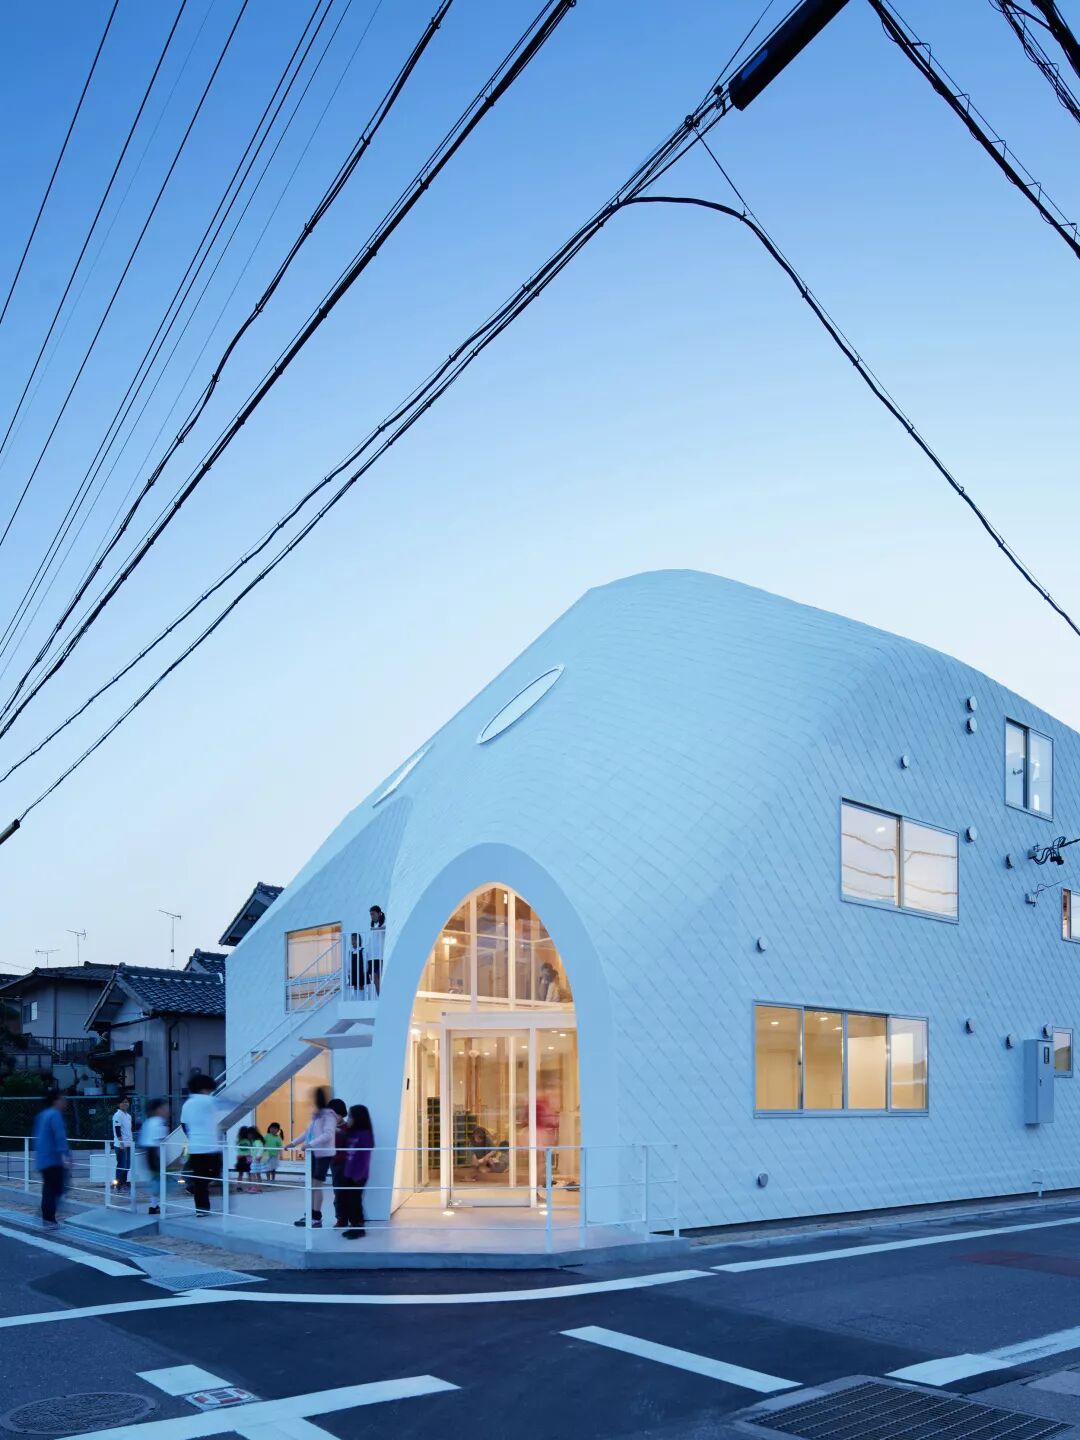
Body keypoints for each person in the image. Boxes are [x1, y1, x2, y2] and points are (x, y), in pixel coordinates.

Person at [288, 1088, 338, 1228]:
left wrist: (310, 1144)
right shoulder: (317, 1115)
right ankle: (310, 1215)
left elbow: (328, 1134)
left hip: (323, 1154)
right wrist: (293, 1143)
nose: (311, 1101)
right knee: (311, 1185)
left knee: (316, 1185)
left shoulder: (328, 1115)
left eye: (313, 1098)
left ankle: (316, 1217)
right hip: (314, 1153)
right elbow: (307, 1133)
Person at [179, 1074, 224, 1216]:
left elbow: (184, 1124)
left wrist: (192, 1137)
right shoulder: (209, 1100)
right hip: (211, 1147)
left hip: (195, 1147)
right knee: (215, 1171)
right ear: (205, 1088)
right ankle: (203, 1201)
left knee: (200, 1180)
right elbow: (228, 1104)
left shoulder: (187, 1103)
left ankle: (201, 1209)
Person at [32, 1089, 70, 1226]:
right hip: (54, 1159)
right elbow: (59, 1136)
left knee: (49, 1187)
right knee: (58, 1187)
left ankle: (46, 1216)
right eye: (62, 1099)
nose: (64, 1102)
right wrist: (65, 1155)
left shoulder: (42, 1115)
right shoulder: (55, 1114)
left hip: (43, 1158)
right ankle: (48, 1218)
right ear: (56, 1100)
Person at [341, 1104, 374, 1239]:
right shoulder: (352, 1132)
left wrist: (358, 1175)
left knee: (355, 1202)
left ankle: (359, 1228)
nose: (348, 1118)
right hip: (349, 1173)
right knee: (349, 1201)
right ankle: (353, 1226)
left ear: (358, 1118)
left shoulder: (365, 1135)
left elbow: (364, 1157)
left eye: (350, 1116)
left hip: (358, 1175)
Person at [138, 1098, 169, 1215]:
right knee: (160, 1181)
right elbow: (160, 1142)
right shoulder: (159, 1122)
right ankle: (155, 1205)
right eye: (165, 1108)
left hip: (147, 1152)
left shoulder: (148, 1122)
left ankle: (154, 1205)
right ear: (158, 1109)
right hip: (155, 1153)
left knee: (156, 1180)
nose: (167, 1110)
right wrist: (164, 1159)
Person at [326, 1098, 348, 1227]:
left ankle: (353, 1218)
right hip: (335, 1164)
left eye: (336, 1115)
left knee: (351, 1192)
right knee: (338, 1192)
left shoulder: (348, 1127)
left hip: (350, 1164)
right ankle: (341, 1219)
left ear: (342, 1113)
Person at [111, 1096, 133, 1192]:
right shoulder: (117, 1115)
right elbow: (117, 1130)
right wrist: (121, 1143)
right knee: (121, 1165)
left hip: (129, 1144)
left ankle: (124, 1183)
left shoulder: (128, 1116)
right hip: (121, 1145)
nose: (125, 1104)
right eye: (123, 1102)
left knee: (127, 1165)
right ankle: (118, 1184)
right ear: (119, 1104)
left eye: (127, 1102)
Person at [366, 905, 386, 995]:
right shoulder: (372, 926)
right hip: (372, 957)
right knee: (374, 977)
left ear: (379, 913)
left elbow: (386, 928)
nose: (372, 916)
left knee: (380, 977)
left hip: (380, 956)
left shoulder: (384, 922)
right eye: (370, 914)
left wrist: (376, 929)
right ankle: (380, 996)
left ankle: (383, 996)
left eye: (373, 914)